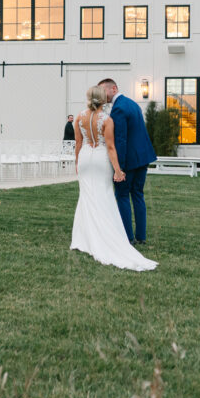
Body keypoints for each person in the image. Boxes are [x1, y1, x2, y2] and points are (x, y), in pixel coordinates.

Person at [70, 85, 156, 272]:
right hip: (101, 160)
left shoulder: (79, 117)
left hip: (85, 158)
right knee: (105, 196)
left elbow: (78, 142)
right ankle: (113, 235)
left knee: (86, 197)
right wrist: (118, 170)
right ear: (102, 99)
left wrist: (77, 162)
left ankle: (83, 237)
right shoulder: (107, 120)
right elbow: (111, 147)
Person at [99, 78, 157, 245]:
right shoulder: (132, 103)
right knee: (138, 195)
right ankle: (141, 237)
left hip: (129, 161)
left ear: (114, 88)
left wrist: (119, 168)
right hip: (143, 157)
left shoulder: (118, 109)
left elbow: (121, 140)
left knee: (123, 195)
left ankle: (127, 238)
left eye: (104, 91)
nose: (103, 95)